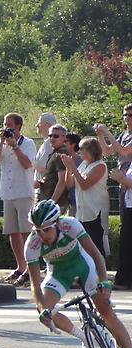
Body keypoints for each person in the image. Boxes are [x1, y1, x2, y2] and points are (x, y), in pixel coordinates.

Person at [27, 200, 132, 348]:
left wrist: (104, 281)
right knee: (44, 308)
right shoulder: (32, 245)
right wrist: (42, 309)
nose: (42, 235)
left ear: (57, 223)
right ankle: (85, 337)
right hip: (58, 274)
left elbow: (96, 254)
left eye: (47, 229)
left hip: (83, 266)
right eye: (38, 231)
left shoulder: (70, 225)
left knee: (105, 309)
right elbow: (35, 284)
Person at [0, 112, 36, 286]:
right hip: (8, 193)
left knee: (26, 232)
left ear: (18, 126)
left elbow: (27, 164)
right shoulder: (3, 144)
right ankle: (20, 266)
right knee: (12, 232)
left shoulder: (28, 143)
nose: (6, 128)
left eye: (9, 125)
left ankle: (30, 268)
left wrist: (15, 146)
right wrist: (1, 142)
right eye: (4, 124)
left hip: (24, 192)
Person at [62, 137, 109, 257]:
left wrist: (73, 167)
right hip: (82, 211)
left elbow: (85, 185)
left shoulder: (100, 166)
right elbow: (69, 184)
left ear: (90, 150)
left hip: (95, 211)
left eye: (81, 149)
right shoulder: (83, 164)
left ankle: (101, 268)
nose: (79, 151)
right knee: (84, 246)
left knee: (96, 244)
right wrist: (68, 168)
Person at [94, 103, 132, 221]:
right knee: (125, 220)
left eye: (130, 115)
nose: (127, 118)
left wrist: (107, 132)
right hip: (123, 181)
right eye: (125, 115)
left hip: (130, 180)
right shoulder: (124, 135)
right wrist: (100, 135)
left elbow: (123, 151)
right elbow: (106, 152)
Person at [108, 162, 132, 290]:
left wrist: (122, 178)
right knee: (126, 245)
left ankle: (124, 280)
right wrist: (121, 180)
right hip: (129, 205)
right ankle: (124, 279)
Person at [37, 124, 69, 212]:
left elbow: (62, 181)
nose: (52, 138)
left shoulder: (60, 154)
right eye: (50, 136)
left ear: (64, 138)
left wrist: (51, 203)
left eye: (56, 136)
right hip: (49, 200)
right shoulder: (55, 153)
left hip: (56, 204)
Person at [33, 112, 57, 189]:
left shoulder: (49, 143)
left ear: (48, 125)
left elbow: (43, 169)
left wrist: (30, 162)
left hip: (45, 189)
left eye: (39, 123)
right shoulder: (46, 143)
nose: (36, 125)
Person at [64, 133, 82, 217]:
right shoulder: (66, 158)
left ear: (73, 144)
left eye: (65, 141)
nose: (63, 144)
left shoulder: (81, 160)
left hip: (80, 203)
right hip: (71, 202)